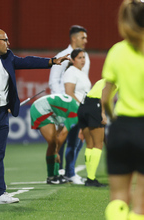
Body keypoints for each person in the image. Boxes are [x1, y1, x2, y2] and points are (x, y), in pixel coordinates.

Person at [0, 28, 69, 206]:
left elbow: (27, 61)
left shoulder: (8, 57)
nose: (9, 43)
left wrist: (52, 61)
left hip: (2, 116)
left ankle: (0, 193)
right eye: (5, 40)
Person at [101, 1, 144, 219]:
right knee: (140, 207)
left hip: (121, 128)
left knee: (118, 198)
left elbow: (106, 97)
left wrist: (114, 118)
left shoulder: (117, 51)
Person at [48, 25, 89, 182]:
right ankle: (57, 171)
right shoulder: (62, 56)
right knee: (62, 138)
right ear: (74, 38)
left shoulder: (84, 56)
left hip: (77, 104)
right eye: (83, 37)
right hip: (64, 104)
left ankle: (68, 171)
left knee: (73, 138)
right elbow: (54, 82)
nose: (86, 40)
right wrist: (63, 102)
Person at [30, 94, 79, 184]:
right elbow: (64, 133)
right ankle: (52, 177)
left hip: (47, 108)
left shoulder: (76, 107)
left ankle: (55, 175)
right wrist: (56, 151)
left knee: (54, 144)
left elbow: (61, 128)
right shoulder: (76, 115)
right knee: (53, 144)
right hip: (41, 109)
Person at [77, 79, 117, 187]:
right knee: (98, 144)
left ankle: (90, 178)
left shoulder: (103, 79)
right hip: (95, 105)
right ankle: (91, 178)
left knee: (89, 145)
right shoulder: (116, 80)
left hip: (83, 106)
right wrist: (103, 113)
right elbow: (105, 93)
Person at [62, 48, 91, 184]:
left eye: (83, 57)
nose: (82, 60)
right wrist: (82, 107)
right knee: (73, 142)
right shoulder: (70, 72)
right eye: (79, 57)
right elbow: (69, 92)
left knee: (79, 143)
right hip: (74, 111)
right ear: (73, 60)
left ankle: (70, 172)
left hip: (82, 111)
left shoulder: (81, 73)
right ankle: (70, 173)